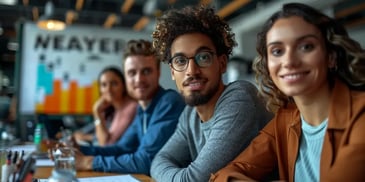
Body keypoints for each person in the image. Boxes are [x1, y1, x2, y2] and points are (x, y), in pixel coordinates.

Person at [210, 3, 365, 182]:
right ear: (268, 64)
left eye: (306, 47)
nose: (289, 62)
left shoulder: (360, 115)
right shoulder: (286, 120)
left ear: (331, 56)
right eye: (277, 51)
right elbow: (222, 177)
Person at [150, 5, 273, 182]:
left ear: (222, 64)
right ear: (172, 71)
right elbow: (158, 162)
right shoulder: (189, 114)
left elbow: (193, 180)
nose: (192, 71)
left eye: (203, 57)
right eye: (180, 60)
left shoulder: (239, 98)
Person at [58, 39, 186, 175]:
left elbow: (147, 161)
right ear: (126, 78)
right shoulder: (141, 109)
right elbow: (121, 148)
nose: (139, 80)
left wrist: (87, 162)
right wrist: (79, 150)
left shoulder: (169, 102)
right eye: (132, 73)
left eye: (146, 71)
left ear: (158, 73)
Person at [73, 66, 138, 146]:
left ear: (124, 85)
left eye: (114, 84)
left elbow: (106, 143)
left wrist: (96, 112)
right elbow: (81, 133)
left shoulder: (131, 107)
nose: (108, 89)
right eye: (104, 85)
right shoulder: (111, 109)